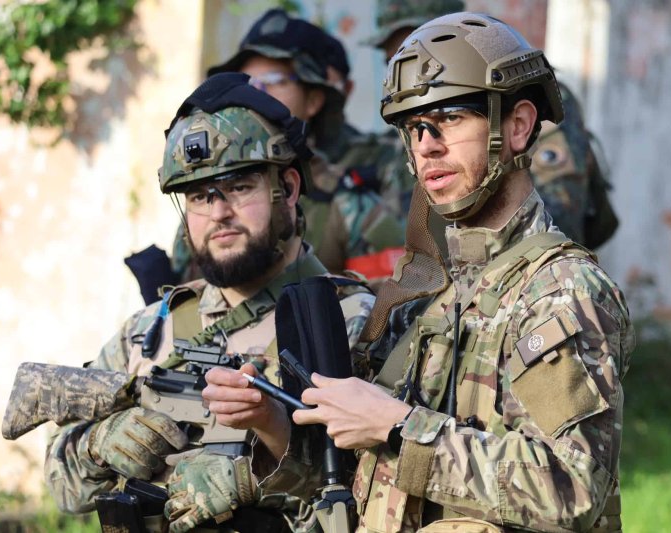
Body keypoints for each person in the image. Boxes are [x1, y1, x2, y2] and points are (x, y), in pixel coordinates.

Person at [208, 12, 635, 532]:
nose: (427, 144)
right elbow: (352, 477)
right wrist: (271, 420)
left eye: (450, 118)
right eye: (414, 128)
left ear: (518, 126)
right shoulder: (421, 292)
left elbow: (572, 488)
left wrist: (398, 426)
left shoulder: (560, 289)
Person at [43, 73, 375, 533]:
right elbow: (63, 487)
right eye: (200, 196)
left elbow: (380, 488)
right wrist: (98, 444)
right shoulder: (149, 330)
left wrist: (262, 457)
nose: (219, 213)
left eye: (239, 187)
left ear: (288, 188)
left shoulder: (354, 320)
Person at [364, 0, 619, 248]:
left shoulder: (521, 94)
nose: (405, 73)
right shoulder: (413, 123)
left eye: (421, 54)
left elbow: (562, 218)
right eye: (394, 60)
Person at [201, 9, 404, 279]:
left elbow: (390, 294)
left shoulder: (345, 199)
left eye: (274, 81)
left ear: (313, 101)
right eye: (247, 83)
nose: (256, 94)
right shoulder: (206, 188)